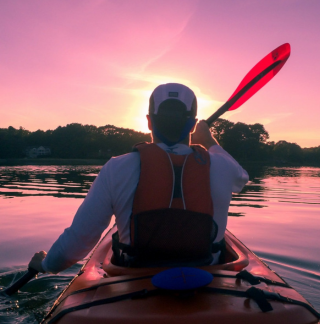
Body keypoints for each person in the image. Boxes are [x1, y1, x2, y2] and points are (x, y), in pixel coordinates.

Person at [29, 83, 249, 273]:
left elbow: (76, 242)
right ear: (192, 124)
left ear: (149, 122)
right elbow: (242, 178)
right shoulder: (222, 166)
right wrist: (209, 140)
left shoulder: (117, 168)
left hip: (136, 278)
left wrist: (46, 265)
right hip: (208, 278)